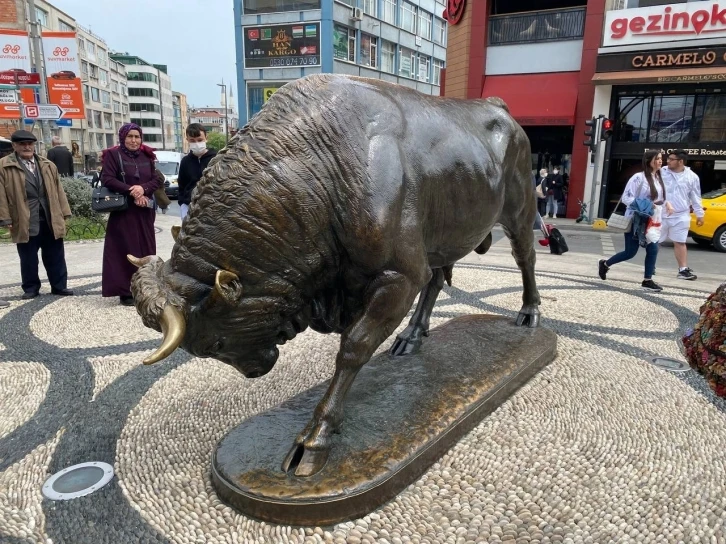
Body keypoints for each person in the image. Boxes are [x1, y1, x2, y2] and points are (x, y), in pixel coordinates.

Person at [0, 130, 73, 299]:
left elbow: (58, 190)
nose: (27, 147)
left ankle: (59, 285)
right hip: (23, 217)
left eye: (30, 144)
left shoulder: (48, 164)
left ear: (34, 145)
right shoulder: (4, 166)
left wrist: (64, 213)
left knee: (55, 254)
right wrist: (5, 218)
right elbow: (1, 195)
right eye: (22, 144)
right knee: (28, 257)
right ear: (14, 146)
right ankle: (31, 287)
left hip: (50, 216)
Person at [101, 123, 163, 306]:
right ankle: (126, 290)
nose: (134, 140)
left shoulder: (147, 156)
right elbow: (108, 179)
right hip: (124, 210)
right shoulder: (113, 155)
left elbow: (156, 179)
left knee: (146, 247)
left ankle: (146, 285)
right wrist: (131, 190)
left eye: (137, 137)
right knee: (125, 248)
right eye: (130, 137)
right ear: (122, 138)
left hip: (144, 210)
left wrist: (143, 189)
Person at [598, 150, 669, 293]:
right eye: (657, 159)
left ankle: (647, 280)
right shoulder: (638, 178)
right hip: (636, 219)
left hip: (652, 220)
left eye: (661, 159)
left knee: (653, 248)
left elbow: (661, 198)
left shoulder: (659, 178)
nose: (660, 161)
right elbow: (626, 198)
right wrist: (649, 205)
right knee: (630, 252)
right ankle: (605, 264)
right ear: (649, 160)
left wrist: (667, 205)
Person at [660, 149, 704, 281]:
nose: (668, 161)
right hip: (660, 213)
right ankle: (650, 267)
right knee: (653, 241)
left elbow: (695, 196)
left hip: (681, 215)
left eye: (671, 159)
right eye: (668, 159)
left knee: (680, 242)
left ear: (680, 161)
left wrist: (699, 214)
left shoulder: (692, 177)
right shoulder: (661, 172)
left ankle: (683, 270)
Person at [177, 123, 217, 221]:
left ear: (206, 138)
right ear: (187, 140)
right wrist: (182, 204)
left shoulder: (216, 158)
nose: (197, 143)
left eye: (200, 140)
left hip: (212, 207)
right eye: (192, 141)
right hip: (189, 207)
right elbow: (181, 185)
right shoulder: (185, 161)